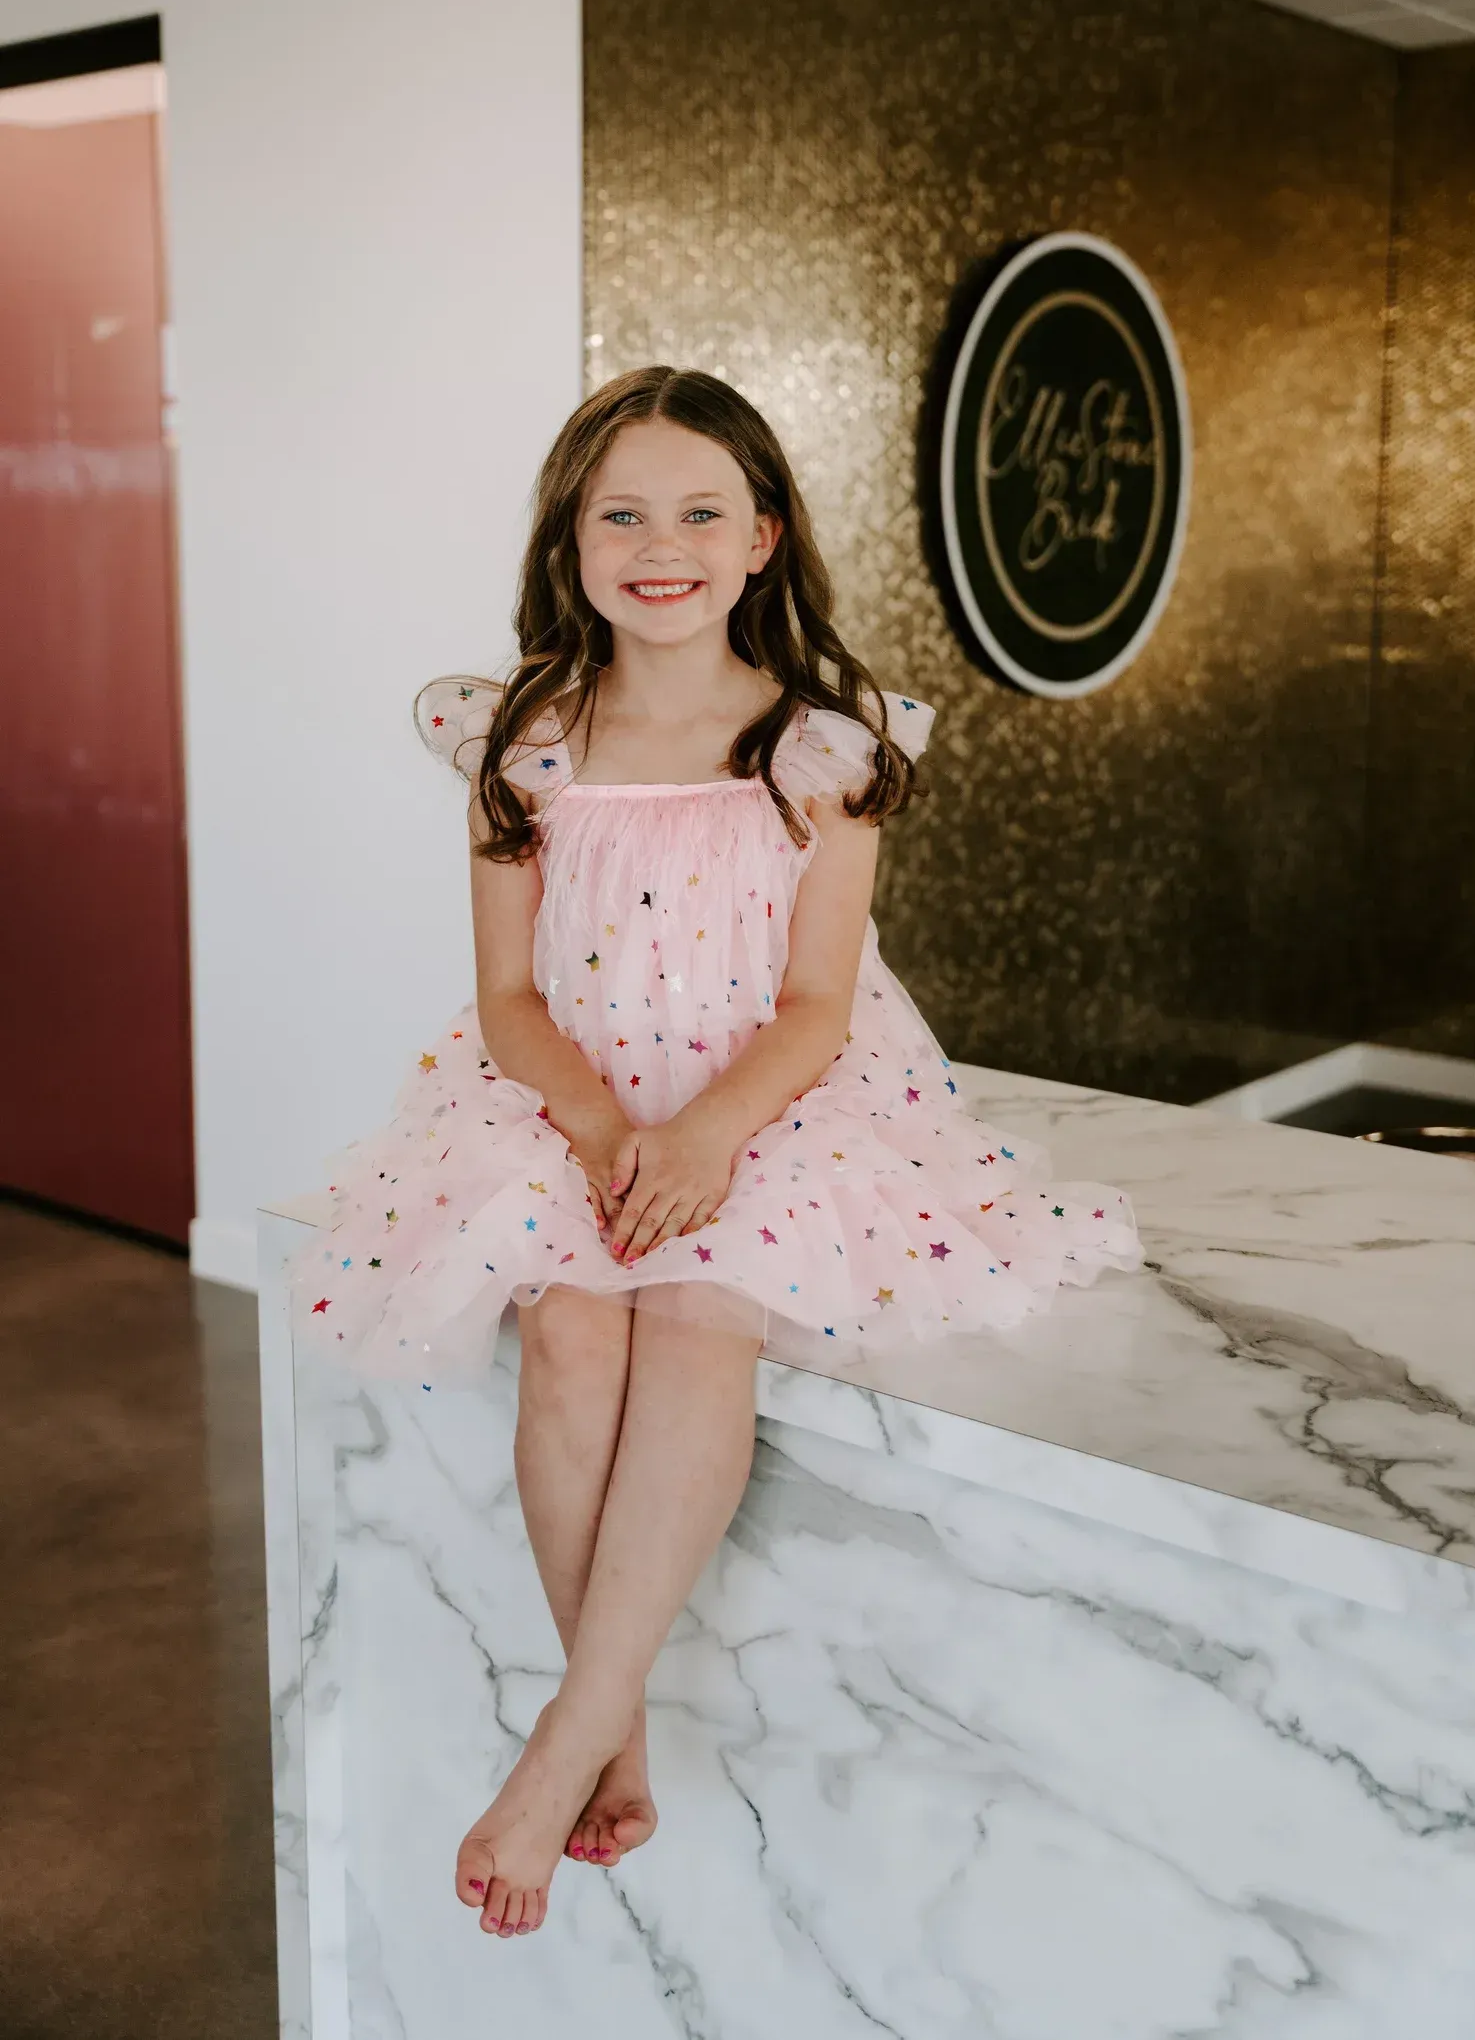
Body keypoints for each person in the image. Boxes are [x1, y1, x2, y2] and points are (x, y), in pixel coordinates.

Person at [289, 365, 1143, 1943]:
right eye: (621, 510)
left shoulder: (824, 745)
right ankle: (605, 1724)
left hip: (767, 1101)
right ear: (573, 538)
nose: (658, 541)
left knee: (697, 1318)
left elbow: (821, 1002)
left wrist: (702, 1137)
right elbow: (509, 994)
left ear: (762, 538)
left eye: (698, 511)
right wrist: (608, 1125)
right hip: (573, 1096)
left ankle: (563, 1747)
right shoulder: (521, 737)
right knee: (567, 1326)